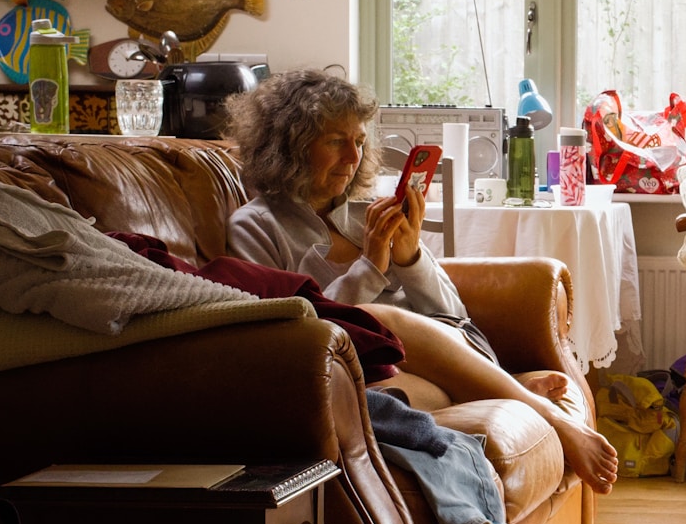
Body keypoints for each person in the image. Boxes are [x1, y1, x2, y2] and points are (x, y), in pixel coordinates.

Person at [225, 69, 618, 494]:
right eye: (336, 141)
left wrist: (410, 256)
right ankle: (504, 386)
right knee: (376, 374)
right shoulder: (255, 226)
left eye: (358, 141)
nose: (353, 157)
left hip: (443, 345)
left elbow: (453, 315)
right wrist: (371, 267)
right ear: (292, 145)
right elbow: (296, 327)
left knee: (382, 320)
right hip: (365, 371)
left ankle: (541, 412)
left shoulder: (368, 210)